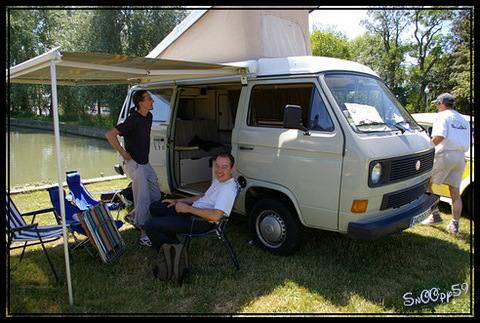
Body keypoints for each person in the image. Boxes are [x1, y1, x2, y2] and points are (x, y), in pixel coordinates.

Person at [145, 153, 237, 251]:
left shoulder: (227, 189)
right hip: (193, 213)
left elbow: (215, 216)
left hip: (200, 222)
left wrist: (188, 208)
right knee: (155, 207)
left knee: (150, 225)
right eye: (217, 166)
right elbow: (204, 196)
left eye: (224, 167)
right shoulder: (219, 181)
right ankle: (171, 242)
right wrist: (176, 201)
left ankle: (172, 253)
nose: (219, 171)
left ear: (232, 169)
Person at [105, 90, 162, 247]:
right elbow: (110, 135)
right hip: (135, 164)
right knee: (143, 198)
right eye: (149, 99)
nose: (153, 101)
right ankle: (144, 234)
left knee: (155, 194)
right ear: (141, 103)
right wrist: (123, 153)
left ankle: (133, 216)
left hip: (145, 163)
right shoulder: (133, 119)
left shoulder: (148, 117)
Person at [422, 93, 470, 234]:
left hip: (446, 154)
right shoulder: (463, 119)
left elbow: (439, 136)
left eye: (437, 104)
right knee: (455, 192)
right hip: (460, 156)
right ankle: (455, 224)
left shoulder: (442, 116)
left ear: (442, 103)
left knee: (427, 184)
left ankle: (435, 215)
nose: (437, 107)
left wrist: (428, 146)